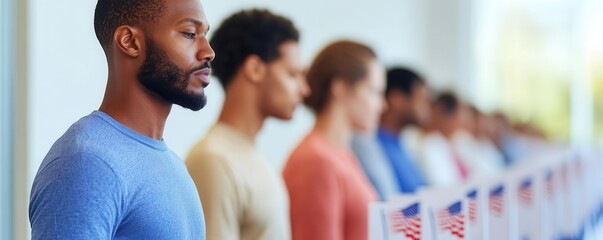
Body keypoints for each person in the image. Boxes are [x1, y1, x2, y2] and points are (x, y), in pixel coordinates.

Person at [29, 0, 215, 239]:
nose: (208, 51)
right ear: (130, 42)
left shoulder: (172, 164)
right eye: (190, 34)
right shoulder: (87, 161)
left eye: (204, 35)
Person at [185, 9, 308, 240]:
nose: (304, 89)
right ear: (255, 69)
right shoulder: (214, 159)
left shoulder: (251, 157)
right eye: (293, 74)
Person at [282, 40, 385, 240]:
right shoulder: (316, 161)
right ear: (340, 88)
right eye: (374, 92)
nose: (382, 105)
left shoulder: (340, 153)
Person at [375, 68, 429, 194]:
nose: (427, 109)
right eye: (421, 99)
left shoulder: (401, 143)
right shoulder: (376, 146)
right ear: (397, 99)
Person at [417, 92, 469, 186]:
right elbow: (443, 185)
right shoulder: (430, 145)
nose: (461, 124)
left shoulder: (449, 144)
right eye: (458, 117)